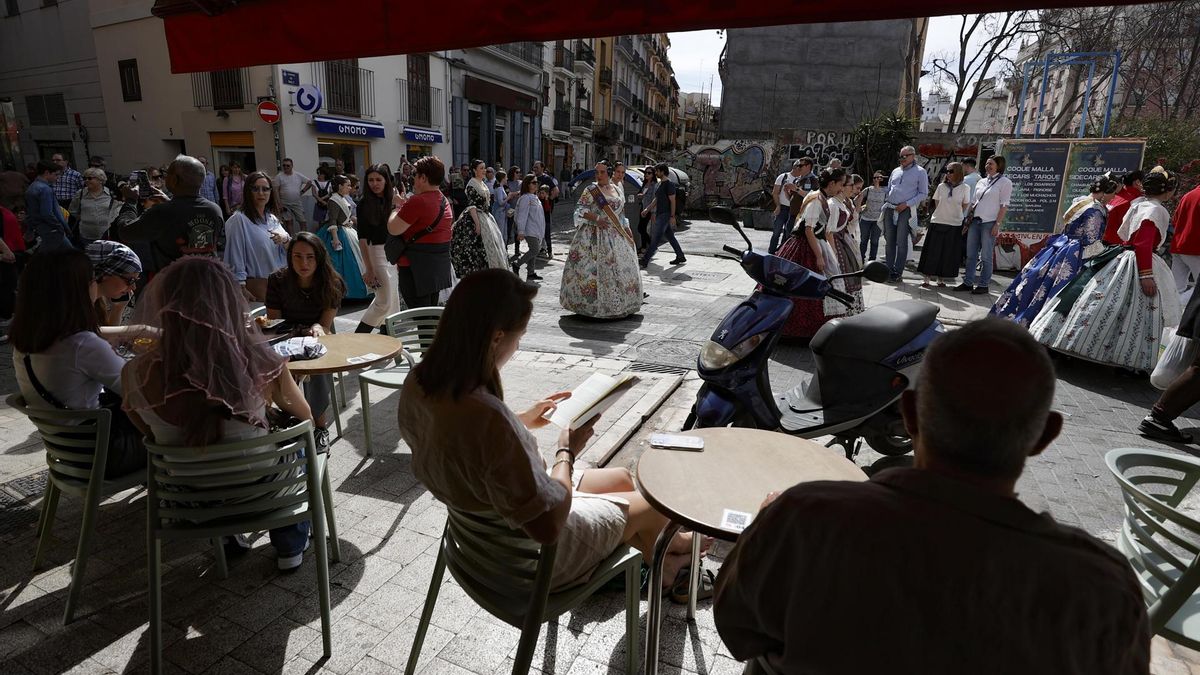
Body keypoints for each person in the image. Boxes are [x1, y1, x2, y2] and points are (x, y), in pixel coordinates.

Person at [713, 318, 1150, 674]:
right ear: (1045, 435)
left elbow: (737, 632)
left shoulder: (806, 518)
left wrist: (763, 530)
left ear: (909, 415)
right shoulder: (1102, 588)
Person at [398, 269, 709, 592]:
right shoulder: (488, 417)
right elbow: (548, 527)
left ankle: (667, 563)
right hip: (532, 559)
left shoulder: (420, 383)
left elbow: (463, 434)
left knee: (621, 479)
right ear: (496, 338)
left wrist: (524, 418)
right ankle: (678, 557)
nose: (517, 348)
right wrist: (567, 451)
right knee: (651, 505)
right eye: (520, 337)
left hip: (483, 541)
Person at [122, 256, 315, 571]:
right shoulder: (259, 361)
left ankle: (226, 538)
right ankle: (290, 544)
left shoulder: (135, 374)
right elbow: (306, 418)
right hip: (259, 489)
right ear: (228, 302)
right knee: (298, 447)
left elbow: (146, 432)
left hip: (190, 496)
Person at [11, 249, 146, 478]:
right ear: (76, 290)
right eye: (92, 279)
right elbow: (142, 391)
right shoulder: (81, 344)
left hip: (69, 453)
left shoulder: (26, 340)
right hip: (104, 456)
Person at [1030, 167, 1181, 372]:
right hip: (1140, 260)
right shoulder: (1155, 210)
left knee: (1098, 301)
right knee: (1129, 309)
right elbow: (1143, 244)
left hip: (1123, 255)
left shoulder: (1140, 204)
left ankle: (1072, 341)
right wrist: (1146, 275)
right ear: (1168, 190)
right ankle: (1123, 357)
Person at [991, 173, 1120, 326]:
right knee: (1063, 289)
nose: (1114, 197)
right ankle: (1046, 325)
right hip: (1077, 252)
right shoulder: (1095, 210)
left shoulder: (1081, 202)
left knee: (1037, 281)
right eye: (1113, 193)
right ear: (1106, 192)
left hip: (1062, 246)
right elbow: (1090, 240)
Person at [265, 232, 345, 451]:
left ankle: (320, 427)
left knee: (316, 365)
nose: (304, 263)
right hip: (284, 336)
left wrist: (318, 327)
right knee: (270, 362)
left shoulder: (332, 282)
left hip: (315, 339)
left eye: (310, 257)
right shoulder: (278, 280)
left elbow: (325, 324)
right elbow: (274, 322)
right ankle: (284, 420)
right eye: (298, 256)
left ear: (319, 258)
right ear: (290, 257)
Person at [113, 155, 225, 275]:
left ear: (174, 180)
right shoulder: (214, 209)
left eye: (166, 175)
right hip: (207, 278)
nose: (163, 178)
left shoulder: (162, 212)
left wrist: (131, 201)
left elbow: (125, 232)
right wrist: (168, 202)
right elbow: (186, 213)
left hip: (174, 282)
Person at [560, 161, 643, 318]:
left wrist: (627, 230)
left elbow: (621, 213)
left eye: (602, 172)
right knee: (593, 270)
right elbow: (580, 210)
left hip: (615, 234)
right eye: (596, 172)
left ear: (609, 173)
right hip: (594, 234)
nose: (598, 175)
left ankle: (620, 303)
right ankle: (591, 305)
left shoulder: (617, 189)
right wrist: (597, 218)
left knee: (619, 268)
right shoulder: (591, 190)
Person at [776, 168, 848, 339]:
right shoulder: (817, 200)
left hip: (812, 243)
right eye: (841, 184)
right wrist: (819, 256)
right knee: (803, 286)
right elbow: (808, 229)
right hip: (804, 247)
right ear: (832, 183)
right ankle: (795, 330)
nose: (842, 188)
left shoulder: (820, 197)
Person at [387, 155, 455, 309]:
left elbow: (393, 228)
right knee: (429, 315)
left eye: (415, 176)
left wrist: (397, 207)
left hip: (415, 268)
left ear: (423, 178)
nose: (413, 180)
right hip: (435, 267)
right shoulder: (443, 199)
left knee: (420, 316)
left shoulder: (418, 201)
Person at [223, 171, 290, 302]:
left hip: (281, 286)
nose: (261, 193)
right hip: (256, 288)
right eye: (255, 189)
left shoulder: (272, 218)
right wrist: (241, 287)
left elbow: (290, 246)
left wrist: (285, 238)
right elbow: (235, 255)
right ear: (247, 191)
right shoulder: (239, 220)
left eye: (265, 189)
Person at [955, 155, 1012, 295]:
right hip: (975, 221)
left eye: (991, 164)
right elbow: (973, 203)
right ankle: (968, 282)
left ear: (999, 166)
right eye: (986, 163)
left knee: (986, 256)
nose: (988, 166)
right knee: (971, 254)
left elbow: (1004, 206)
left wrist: (997, 224)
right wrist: (966, 220)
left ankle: (983, 285)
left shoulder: (1005, 182)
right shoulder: (981, 181)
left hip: (989, 222)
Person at [353, 165, 400, 333]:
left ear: (387, 181)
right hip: (376, 254)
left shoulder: (393, 200)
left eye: (378, 179)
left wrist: (399, 203)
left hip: (392, 254)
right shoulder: (364, 204)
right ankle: (359, 336)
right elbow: (363, 239)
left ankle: (388, 339)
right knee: (384, 302)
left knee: (392, 301)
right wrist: (369, 269)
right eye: (371, 180)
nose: (374, 183)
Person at [450, 159, 508, 279]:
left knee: (491, 246)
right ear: (474, 170)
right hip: (476, 217)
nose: (484, 170)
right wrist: (477, 224)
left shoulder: (482, 183)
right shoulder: (472, 184)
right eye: (481, 168)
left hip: (486, 216)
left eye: (484, 168)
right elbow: (472, 206)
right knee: (476, 249)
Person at [879, 146, 929, 283]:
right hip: (890, 207)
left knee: (902, 241)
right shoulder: (895, 171)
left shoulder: (920, 172)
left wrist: (906, 204)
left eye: (905, 156)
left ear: (913, 156)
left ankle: (898, 271)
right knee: (889, 241)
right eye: (901, 156)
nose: (902, 159)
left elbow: (923, 193)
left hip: (905, 209)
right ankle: (888, 270)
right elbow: (889, 188)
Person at [917, 162, 971, 288]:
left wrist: (956, 214)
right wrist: (942, 213)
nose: (948, 173)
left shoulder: (965, 188)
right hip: (938, 221)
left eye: (951, 171)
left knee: (947, 253)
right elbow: (936, 202)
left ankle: (941, 279)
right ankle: (927, 278)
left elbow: (965, 204)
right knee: (932, 251)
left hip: (955, 223)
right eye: (947, 171)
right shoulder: (941, 186)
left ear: (958, 172)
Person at [317, 175, 369, 302]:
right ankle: (340, 293)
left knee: (353, 260)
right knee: (340, 263)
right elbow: (333, 219)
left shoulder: (342, 198)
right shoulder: (334, 200)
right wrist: (335, 238)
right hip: (338, 233)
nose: (350, 187)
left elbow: (344, 216)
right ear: (340, 186)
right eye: (348, 185)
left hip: (346, 230)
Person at [825, 173, 864, 314]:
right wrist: (833, 254)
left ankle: (849, 309)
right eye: (851, 185)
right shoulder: (833, 204)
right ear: (841, 187)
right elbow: (829, 232)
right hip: (835, 242)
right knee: (840, 276)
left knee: (851, 274)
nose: (853, 188)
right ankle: (841, 310)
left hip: (843, 241)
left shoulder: (843, 202)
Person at [640, 163, 686, 269]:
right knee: (670, 237)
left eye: (657, 171)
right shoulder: (661, 184)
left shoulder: (669, 184)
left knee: (655, 238)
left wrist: (672, 216)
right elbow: (656, 199)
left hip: (665, 215)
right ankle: (680, 256)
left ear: (662, 171)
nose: (655, 173)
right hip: (661, 214)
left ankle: (645, 260)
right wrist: (647, 209)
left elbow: (673, 201)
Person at [86, 240, 141, 327]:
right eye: (130, 280)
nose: (134, 287)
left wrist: (118, 309)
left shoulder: (95, 301)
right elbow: (102, 337)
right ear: (105, 275)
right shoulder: (77, 306)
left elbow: (106, 336)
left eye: (135, 281)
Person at [769, 158, 816, 255]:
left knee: (792, 240)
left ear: (808, 166)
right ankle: (779, 254)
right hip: (792, 213)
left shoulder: (812, 180)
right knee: (785, 236)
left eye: (801, 166)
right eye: (798, 166)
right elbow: (791, 197)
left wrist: (796, 189)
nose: (799, 168)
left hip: (801, 216)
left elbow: (812, 196)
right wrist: (788, 192)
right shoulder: (798, 180)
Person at [26, 160, 71, 251]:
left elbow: (31, 211)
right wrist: (58, 226)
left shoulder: (32, 187)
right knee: (71, 255)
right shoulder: (45, 189)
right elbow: (47, 213)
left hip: (42, 228)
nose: (57, 178)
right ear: (47, 173)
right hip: (50, 228)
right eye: (56, 175)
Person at [69, 167, 121, 245]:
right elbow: (73, 210)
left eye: (90, 178)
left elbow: (117, 211)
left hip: (107, 235)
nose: (86, 181)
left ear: (100, 180)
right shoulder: (80, 193)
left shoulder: (111, 194)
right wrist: (84, 218)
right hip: (86, 235)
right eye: (85, 178)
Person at [1170, 182, 1200, 306]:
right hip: (1196, 248)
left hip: (1178, 246)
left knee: (1175, 288)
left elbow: (1174, 221)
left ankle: (1169, 316)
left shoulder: (1187, 195)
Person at [512, 176, 545, 282]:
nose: (536, 184)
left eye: (537, 182)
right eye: (533, 182)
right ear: (527, 184)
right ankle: (517, 264)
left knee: (534, 251)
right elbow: (522, 215)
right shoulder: (525, 198)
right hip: (529, 229)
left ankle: (531, 272)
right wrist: (521, 231)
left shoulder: (534, 197)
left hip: (536, 229)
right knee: (535, 249)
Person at [1103, 171, 1145, 245]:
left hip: (1105, 240)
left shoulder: (1114, 195)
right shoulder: (1135, 201)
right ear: (1137, 182)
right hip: (1118, 246)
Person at [274, 158, 313, 235]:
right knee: (289, 222)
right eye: (284, 165)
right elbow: (276, 191)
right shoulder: (279, 176)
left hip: (296, 202)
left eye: (288, 165)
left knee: (303, 221)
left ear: (292, 166)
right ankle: (292, 239)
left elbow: (309, 182)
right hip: (284, 202)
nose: (285, 167)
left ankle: (304, 238)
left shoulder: (297, 175)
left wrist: (302, 191)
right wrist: (279, 203)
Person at [856, 171, 887, 261]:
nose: (876, 180)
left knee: (874, 241)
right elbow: (857, 198)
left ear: (882, 178)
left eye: (879, 177)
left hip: (878, 220)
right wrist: (860, 208)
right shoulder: (868, 189)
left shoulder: (886, 190)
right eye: (874, 178)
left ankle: (872, 261)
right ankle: (861, 259)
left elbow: (889, 202)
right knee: (863, 240)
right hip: (866, 218)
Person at [532, 161, 560, 257]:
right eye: (534, 167)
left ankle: (548, 250)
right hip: (536, 208)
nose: (535, 169)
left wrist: (549, 199)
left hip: (545, 209)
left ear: (542, 168)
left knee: (546, 229)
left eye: (537, 167)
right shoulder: (533, 178)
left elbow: (556, 190)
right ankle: (541, 248)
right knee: (537, 229)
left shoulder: (546, 178)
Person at [635, 167, 658, 254]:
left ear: (653, 175)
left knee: (641, 228)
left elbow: (654, 199)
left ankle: (652, 245)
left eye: (649, 173)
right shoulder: (644, 184)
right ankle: (644, 247)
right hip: (642, 207)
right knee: (642, 228)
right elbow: (640, 194)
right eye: (646, 173)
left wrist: (652, 212)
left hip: (648, 209)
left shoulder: (654, 185)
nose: (647, 175)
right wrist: (639, 196)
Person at [491, 169, 509, 247]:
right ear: (502, 178)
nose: (507, 179)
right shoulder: (498, 188)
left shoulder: (500, 187)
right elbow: (501, 202)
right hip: (499, 212)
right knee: (500, 232)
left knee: (504, 232)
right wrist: (509, 197)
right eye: (506, 177)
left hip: (502, 212)